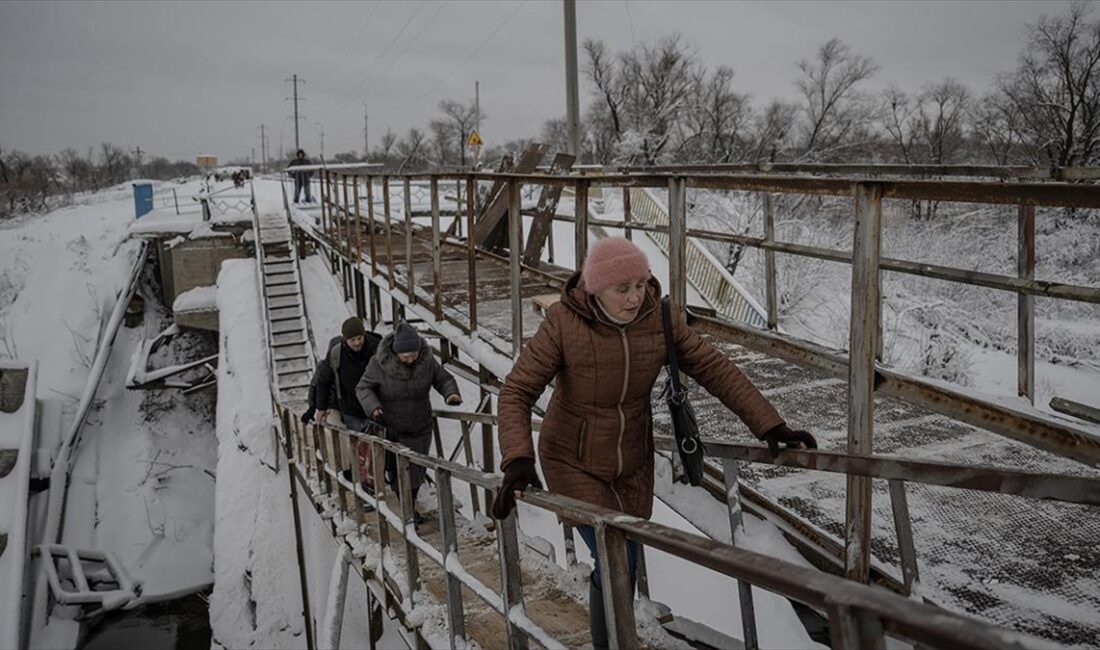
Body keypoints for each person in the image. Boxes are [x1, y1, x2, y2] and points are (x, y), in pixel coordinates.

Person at [492, 237, 816, 649]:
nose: (634, 297)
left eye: (641, 284)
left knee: (623, 562)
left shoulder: (660, 319)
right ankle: (610, 644)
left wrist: (769, 425)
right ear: (595, 290)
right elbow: (516, 390)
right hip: (572, 459)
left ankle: (613, 630)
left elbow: (713, 367)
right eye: (621, 289)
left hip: (632, 461)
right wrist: (517, 458)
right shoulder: (563, 323)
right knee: (615, 560)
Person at [356, 321, 463, 523]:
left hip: (421, 426)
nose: (411, 358)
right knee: (400, 471)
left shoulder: (426, 361)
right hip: (392, 427)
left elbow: (443, 379)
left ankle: (410, 505)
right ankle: (408, 511)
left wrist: (451, 394)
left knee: (417, 470)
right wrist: (374, 407)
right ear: (396, 352)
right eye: (406, 355)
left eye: (414, 354)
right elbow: (363, 388)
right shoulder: (378, 364)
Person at [308, 317, 382, 488]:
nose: (357, 343)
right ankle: (363, 485)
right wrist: (319, 408)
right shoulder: (337, 353)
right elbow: (323, 381)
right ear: (345, 339)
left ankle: (373, 481)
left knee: (376, 446)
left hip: (375, 406)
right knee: (357, 447)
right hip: (351, 407)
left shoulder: (377, 348)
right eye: (352, 340)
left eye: (359, 338)